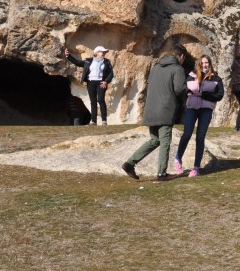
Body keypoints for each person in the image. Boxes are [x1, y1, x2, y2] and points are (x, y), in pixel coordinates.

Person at [121, 46, 187, 181]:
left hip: (151, 110)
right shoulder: (177, 69)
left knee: (155, 140)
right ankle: (162, 173)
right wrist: (183, 100)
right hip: (165, 110)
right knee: (165, 141)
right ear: (181, 56)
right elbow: (180, 89)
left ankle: (129, 163)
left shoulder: (155, 68)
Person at [173, 55, 224, 177]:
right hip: (192, 107)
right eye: (202, 63)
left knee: (200, 137)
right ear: (199, 64)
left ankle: (196, 168)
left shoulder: (216, 79)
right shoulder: (192, 75)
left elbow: (219, 95)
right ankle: (178, 159)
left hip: (206, 109)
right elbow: (184, 88)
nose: (204, 65)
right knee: (187, 133)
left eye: (206, 63)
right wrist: (188, 93)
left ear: (210, 64)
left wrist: (203, 95)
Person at [64, 45, 114, 125]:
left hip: (101, 83)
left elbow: (111, 74)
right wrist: (68, 56)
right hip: (91, 82)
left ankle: (104, 121)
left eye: (105, 52)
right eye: (102, 52)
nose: (104, 53)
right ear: (97, 53)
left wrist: (106, 81)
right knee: (93, 101)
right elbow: (77, 63)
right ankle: (93, 121)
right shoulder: (89, 61)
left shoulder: (106, 62)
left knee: (101, 100)